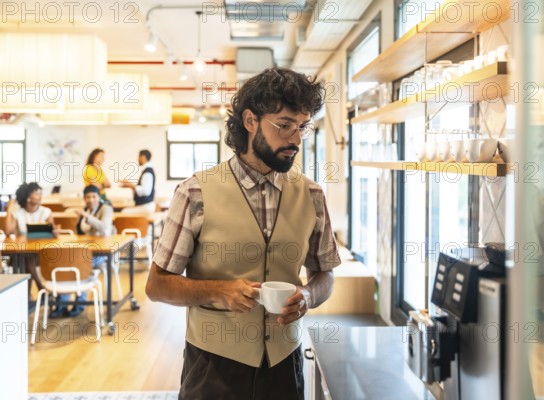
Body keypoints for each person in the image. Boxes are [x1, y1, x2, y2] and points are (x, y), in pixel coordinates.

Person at [145, 68, 341, 399]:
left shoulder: (311, 194)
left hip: (284, 363)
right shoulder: (195, 193)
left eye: (302, 127)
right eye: (283, 125)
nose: (294, 139)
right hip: (213, 365)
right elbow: (157, 285)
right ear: (250, 121)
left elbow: (325, 275)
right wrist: (218, 290)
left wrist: (307, 296)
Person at [50, 185, 115, 318]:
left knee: (79, 262)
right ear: (84, 199)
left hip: (102, 253)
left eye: (94, 196)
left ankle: (80, 303)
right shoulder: (86, 210)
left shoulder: (106, 209)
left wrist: (86, 215)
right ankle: (63, 303)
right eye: (87, 197)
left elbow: (104, 228)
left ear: (99, 198)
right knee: (65, 260)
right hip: (85, 249)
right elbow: (80, 233)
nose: (91, 199)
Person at [5, 182, 57, 297]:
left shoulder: (46, 212)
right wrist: (10, 208)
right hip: (22, 254)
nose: (40, 196)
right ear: (28, 197)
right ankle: (38, 288)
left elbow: (52, 234)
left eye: (40, 194)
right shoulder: (18, 212)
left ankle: (28, 296)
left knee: (27, 259)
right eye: (37, 194)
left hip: (43, 254)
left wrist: (54, 232)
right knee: (27, 258)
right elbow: (8, 231)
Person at [120, 149, 155, 214]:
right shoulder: (147, 171)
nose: (137, 159)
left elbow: (146, 191)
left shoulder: (148, 172)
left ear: (143, 157)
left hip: (146, 206)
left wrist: (131, 185)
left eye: (139, 156)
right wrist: (130, 186)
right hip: (145, 205)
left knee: (124, 212)